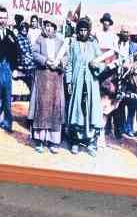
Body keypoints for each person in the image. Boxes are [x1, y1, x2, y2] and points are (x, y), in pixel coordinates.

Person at [64, 16, 104, 153]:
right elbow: (69, 64)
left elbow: (102, 63)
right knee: (77, 111)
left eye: (85, 30)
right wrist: (69, 81)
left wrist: (96, 65)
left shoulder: (94, 45)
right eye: (80, 30)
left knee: (91, 111)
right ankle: (75, 141)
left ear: (89, 31)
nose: (82, 33)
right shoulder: (73, 45)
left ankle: (91, 142)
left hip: (91, 83)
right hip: (77, 83)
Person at [30, 18, 67, 153]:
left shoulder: (60, 42)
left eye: (51, 26)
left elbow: (66, 57)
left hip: (56, 79)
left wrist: (59, 63)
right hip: (43, 78)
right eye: (47, 25)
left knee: (55, 108)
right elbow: (34, 54)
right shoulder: (39, 40)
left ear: (55, 28)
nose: (49, 28)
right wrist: (46, 61)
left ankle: (53, 141)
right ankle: (40, 140)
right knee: (42, 107)